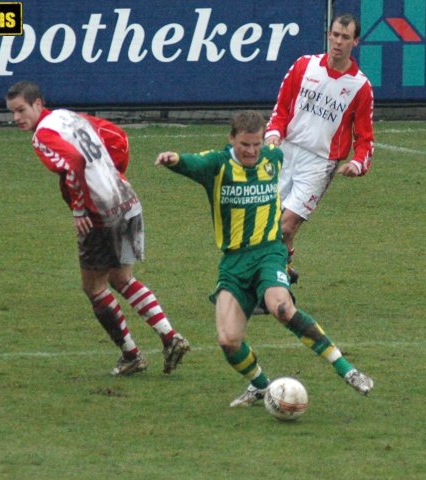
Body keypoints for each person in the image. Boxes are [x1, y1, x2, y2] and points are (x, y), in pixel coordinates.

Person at [155, 111, 373, 407]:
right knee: (228, 340)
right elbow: (192, 162)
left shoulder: (273, 157)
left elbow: (284, 147)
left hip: (270, 252)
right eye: (245, 144)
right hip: (233, 262)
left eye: (256, 144)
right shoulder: (217, 165)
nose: (251, 151)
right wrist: (174, 160)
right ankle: (260, 385)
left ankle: (347, 370)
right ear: (231, 139)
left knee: (282, 308)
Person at [5, 80, 190, 376]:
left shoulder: (44, 135)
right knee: (122, 279)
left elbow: (74, 161)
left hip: (99, 213)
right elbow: (117, 136)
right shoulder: (70, 116)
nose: (16, 118)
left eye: (20, 110)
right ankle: (170, 337)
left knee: (94, 286)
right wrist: (113, 176)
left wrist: (80, 207)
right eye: (12, 112)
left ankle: (131, 355)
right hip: (127, 200)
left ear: (38, 104)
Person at [265, 13, 375, 283]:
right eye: (335, 35)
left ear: (355, 42)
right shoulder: (304, 66)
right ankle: (285, 266)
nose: (338, 42)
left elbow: (365, 137)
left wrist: (358, 164)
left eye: (345, 37)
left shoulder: (360, 87)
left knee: (286, 225)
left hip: (319, 164)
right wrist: (274, 134)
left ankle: (270, 290)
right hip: (286, 153)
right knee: (267, 224)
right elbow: (281, 108)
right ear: (329, 34)